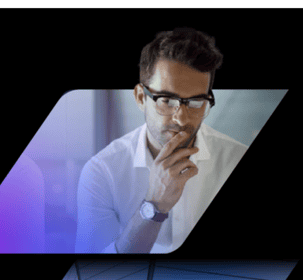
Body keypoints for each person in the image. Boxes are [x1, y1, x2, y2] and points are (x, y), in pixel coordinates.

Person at [75, 27, 248, 253]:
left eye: (196, 101)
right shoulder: (102, 172)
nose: (181, 117)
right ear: (140, 97)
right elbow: (94, 276)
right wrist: (154, 206)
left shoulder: (236, 159)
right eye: (166, 100)